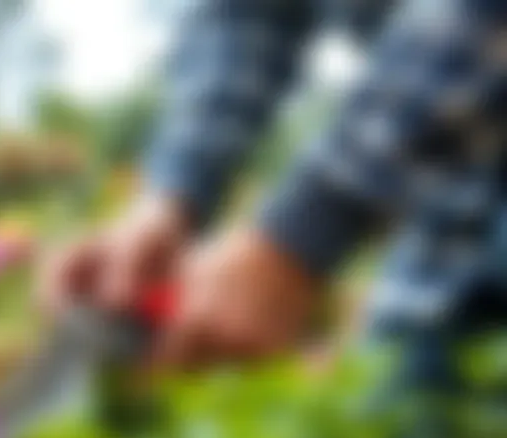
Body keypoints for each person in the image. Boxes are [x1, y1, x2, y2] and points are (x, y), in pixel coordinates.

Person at [39, 0, 507, 376]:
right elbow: (247, 15)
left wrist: (307, 227)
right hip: (456, 211)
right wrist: (170, 195)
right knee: (416, 417)